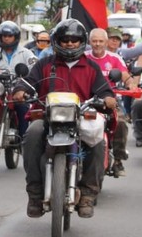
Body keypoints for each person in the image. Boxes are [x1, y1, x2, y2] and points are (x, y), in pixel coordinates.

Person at [13, 19, 116, 219]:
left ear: (81, 42)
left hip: (81, 117)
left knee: (98, 141)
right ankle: (34, 194)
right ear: (57, 41)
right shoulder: (45, 64)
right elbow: (28, 82)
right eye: (65, 39)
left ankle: (87, 194)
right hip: (47, 116)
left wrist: (108, 99)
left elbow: (104, 91)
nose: (70, 43)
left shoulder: (91, 67)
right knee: (32, 134)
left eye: (74, 40)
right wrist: (20, 90)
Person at [0, 21, 36, 140]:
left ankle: (22, 138)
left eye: (10, 36)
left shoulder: (26, 53)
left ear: (16, 37)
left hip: (16, 89)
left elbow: (35, 67)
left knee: (23, 107)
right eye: (4, 36)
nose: (7, 39)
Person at [85, 28, 130, 178]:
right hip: (86, 101)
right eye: (94, 41)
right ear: (89, 42)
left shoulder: (115, 58)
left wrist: (132, 85)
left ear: (106, 42)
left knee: (121, 123)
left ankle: (118, 160)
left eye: (100, 41)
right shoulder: (82, 58)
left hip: (109, 102)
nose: (97, 44)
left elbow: (125, 76)